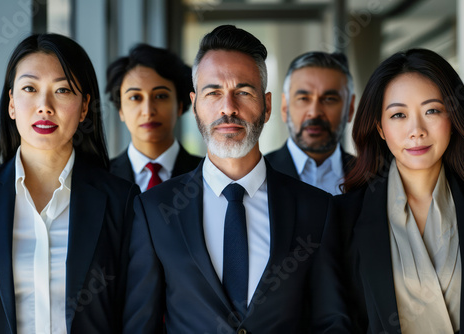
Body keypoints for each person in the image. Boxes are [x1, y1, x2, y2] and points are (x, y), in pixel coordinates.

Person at [124, 25, 341, 333]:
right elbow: (140, 325)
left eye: (243, 92)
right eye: (213, 93)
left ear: (266, 107)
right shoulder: (153, 209)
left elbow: (331, 321)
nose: (228, 108)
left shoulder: (316, 208)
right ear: (195, 104)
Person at [0, 33, 140, 333]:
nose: (45, 106)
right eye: (30, 88)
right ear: (12, 103)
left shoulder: (122, 202)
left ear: (83, 108)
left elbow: (135, 315)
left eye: (63, 90)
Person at [326, 48, 464, 333]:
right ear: (380, 128)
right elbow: (336, 321)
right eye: (398, 115)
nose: (416, 130)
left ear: (454, 119)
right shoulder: (343, 216)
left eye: (432, 110)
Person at [106, 44, 201, 192]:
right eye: (135, 97)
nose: (148, 111)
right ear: (120, 110)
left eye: (161, 96)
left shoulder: (207, 175)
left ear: (180, 105)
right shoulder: (100, 178)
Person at [266, 51, 355, 195]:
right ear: (284, 107)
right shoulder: (257, 176)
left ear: (350, 108)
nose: (314, 112)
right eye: (303, 98)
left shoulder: (373, 179)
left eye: (329, 99)